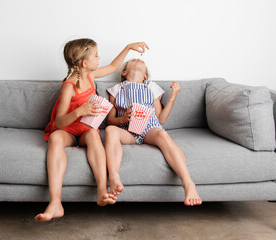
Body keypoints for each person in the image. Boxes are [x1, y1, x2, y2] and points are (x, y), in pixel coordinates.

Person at [35, 39, 149, 222]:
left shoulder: (91, 76)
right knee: (56, 137)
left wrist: (128, 47)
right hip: (68, 130)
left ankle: (102, 191)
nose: (99, 58)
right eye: (96, 55)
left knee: (93, 136)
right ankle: (55, 202)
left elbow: (113, 66)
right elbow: (60, 121)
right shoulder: (69, 87)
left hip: (86, 129)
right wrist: (79, 111)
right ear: (83, 63)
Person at [105, 58, 202, 206]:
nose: (138, 60)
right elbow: (110, 120)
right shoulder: (117, 89)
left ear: (145, 76)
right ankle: (114, 177)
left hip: (150, 127)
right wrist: (123, 119)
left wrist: (173, 97)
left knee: (163, 134)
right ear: (124, 72)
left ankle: (188, 184)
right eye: (133, 60)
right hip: (127, 130)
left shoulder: (151, 87)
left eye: (142, 62)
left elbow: (161, 119)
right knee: (110, 130)